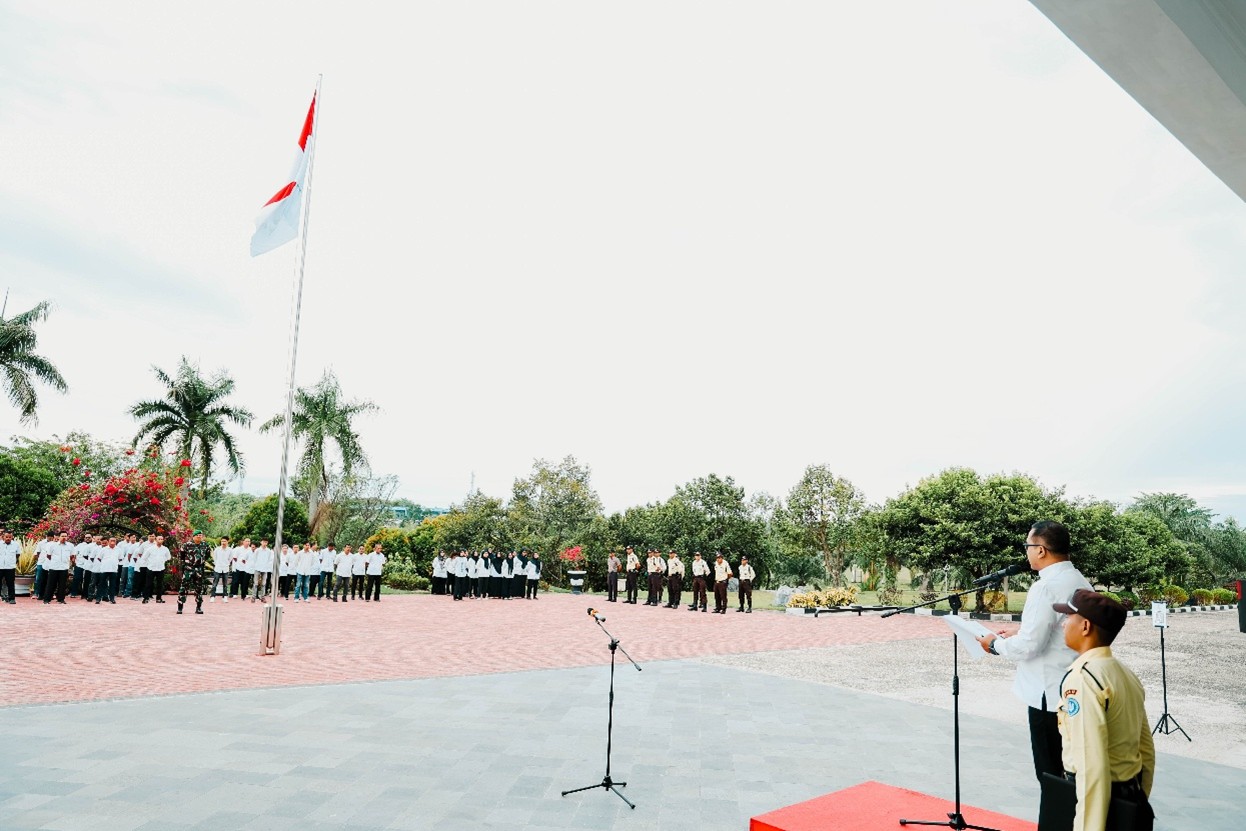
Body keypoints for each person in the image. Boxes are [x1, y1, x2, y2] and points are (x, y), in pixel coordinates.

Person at [977, 520, 1093, 787]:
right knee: (1072, 771)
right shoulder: (1080, 580)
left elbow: (1030, 645)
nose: (1026, 552)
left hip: (1047, 694)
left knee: (1050, 775)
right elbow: (1057, 630)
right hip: (1074, 688)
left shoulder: (1045, 587)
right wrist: (1019, 632)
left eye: (1027, 546)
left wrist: (994, 645)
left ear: (1040, 550)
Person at [1050, 590, 1155, 831]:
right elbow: (1146, 750)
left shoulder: (1083, 679)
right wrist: (1137, 802)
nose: (1064, 623)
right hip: (1128, 794)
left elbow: (1091, 765)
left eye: (1069, 617)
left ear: (1085, 626)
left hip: (1098, 805)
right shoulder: (1125, 673)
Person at [178, 531, 211, 614]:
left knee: (199, 589)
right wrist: (188, 563)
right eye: (198, 535)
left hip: (199, 569)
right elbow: (181, 555)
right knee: (184, 588)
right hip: (188, 569)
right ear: (193, 536)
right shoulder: (187, 545)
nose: (199, 537)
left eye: (201, 535)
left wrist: (200, 562)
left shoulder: (205, 545)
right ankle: (180, 607)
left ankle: (198, 607)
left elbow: (207, 555)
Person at [42, 532, 72, 603]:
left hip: (64, 567)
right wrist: (55, 561)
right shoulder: (53, 545)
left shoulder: (70, 546)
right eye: (62, 536)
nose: (64, 537)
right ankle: (47, 599)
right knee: (51, 584)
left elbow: (72, 555)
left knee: (62, 584)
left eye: (65, 536)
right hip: (54, 567)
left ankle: (61, 599)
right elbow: (48, 555)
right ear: (59, 537)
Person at [145, 535, 171, 603]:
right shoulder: (150, 549)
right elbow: (144, 557)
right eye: (159, 539)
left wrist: (163, 560)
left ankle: (159, 598)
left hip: (160, 568)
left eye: (162, 539)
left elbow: (168, 557)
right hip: (151, 568)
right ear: (156, 540)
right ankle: (146, 598)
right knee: (148, 584)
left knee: (160, 584)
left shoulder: (165, 549)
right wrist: (149, 563)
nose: (160, 540)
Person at [0, 530, 21, 604]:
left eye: (10, 537)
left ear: (12, 537)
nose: (8, 538)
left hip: (10, 567)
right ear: (3, 537)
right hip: (0, 567)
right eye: (6, 537)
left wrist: (12, 561)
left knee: (10, 584)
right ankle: (2, 597)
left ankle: (12, 599)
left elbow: (18, 554)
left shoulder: (16, 544)